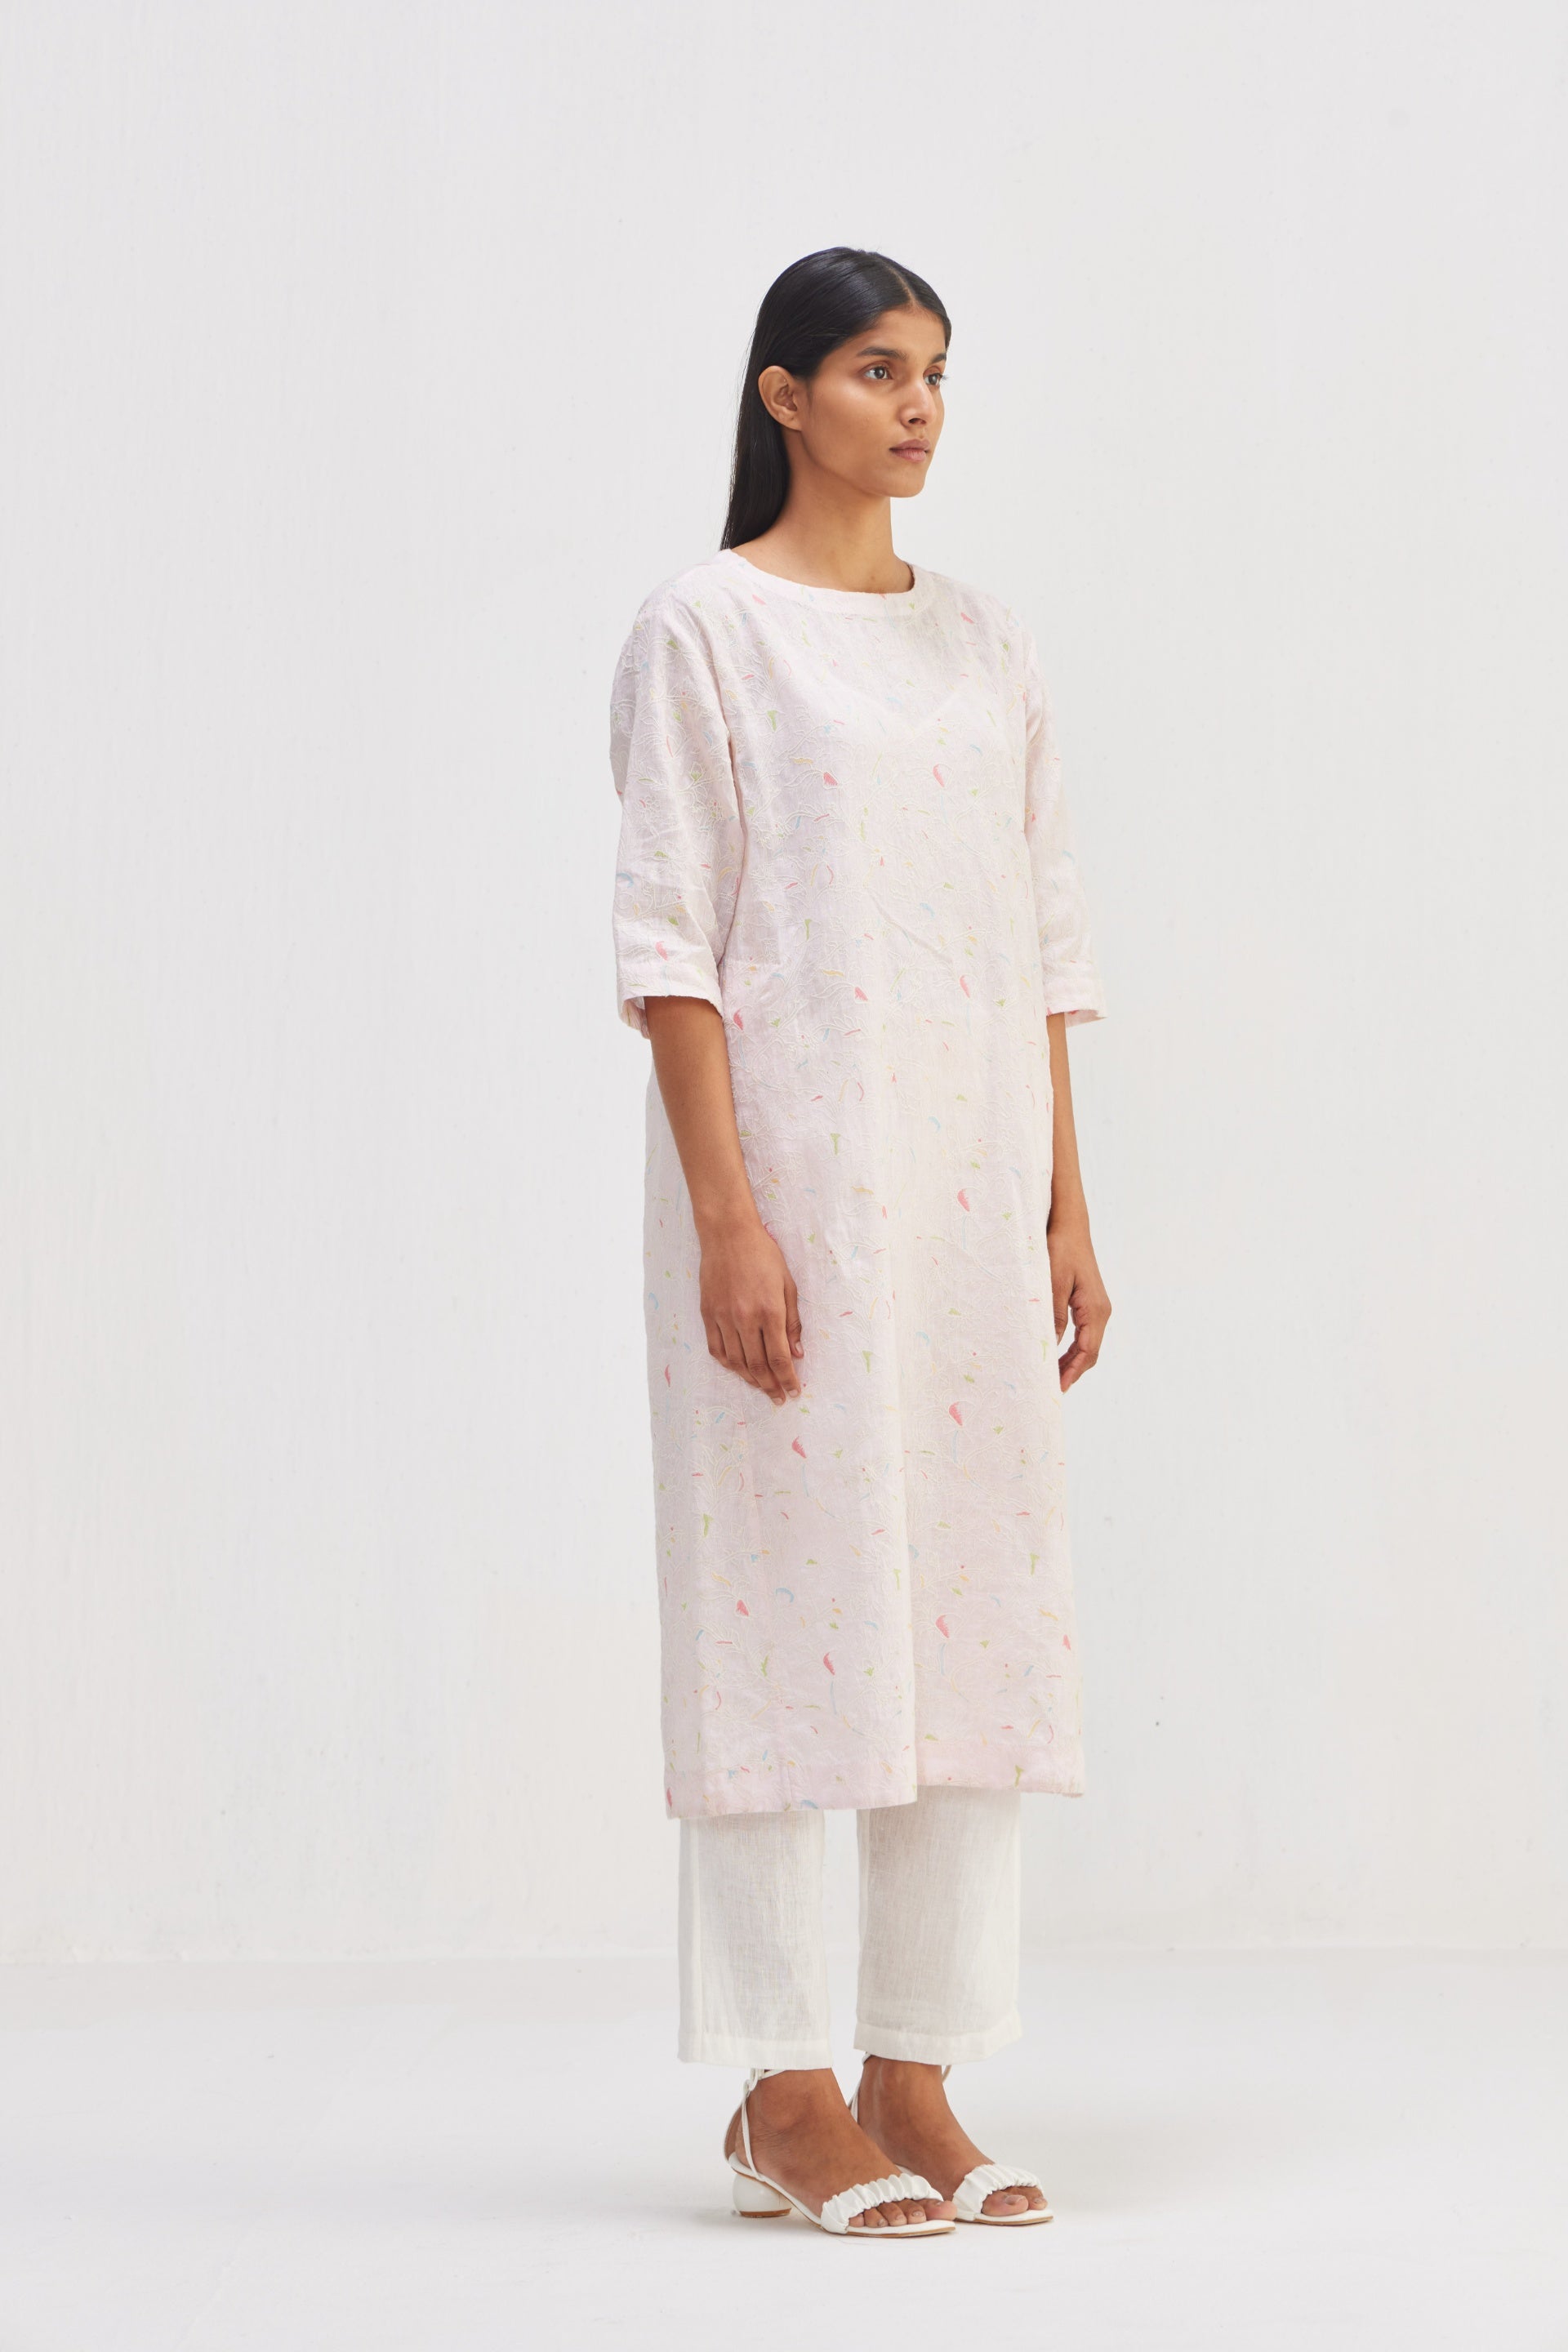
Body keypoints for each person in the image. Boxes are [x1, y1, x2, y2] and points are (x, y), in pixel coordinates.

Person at [608, 247, 1111, 2238]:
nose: (915, 407)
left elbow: (1042, 934)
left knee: (971, 1610)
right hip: (797, 1202)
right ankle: (780, 2085)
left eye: (936, 374)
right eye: (876, 370)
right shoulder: (707, 631)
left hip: (975, 1201)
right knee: (776, 1610)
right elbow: (670, 943)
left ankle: (918, 2067)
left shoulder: (984, 642)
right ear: (781, 395)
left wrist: (1070, 1199)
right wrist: (727, 1215)